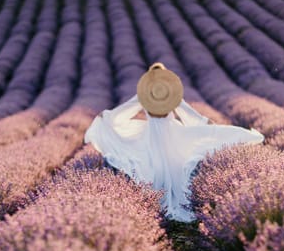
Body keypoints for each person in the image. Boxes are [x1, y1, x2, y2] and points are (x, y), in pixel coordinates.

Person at [84, 62, 264, 222]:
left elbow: (124, 111)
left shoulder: (145, 95)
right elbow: (188, 114)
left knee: (153, 166)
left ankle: (153, 201)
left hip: (151, 136)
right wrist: (206, 124)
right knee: (175, 164)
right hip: (172, 133)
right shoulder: (171, 94)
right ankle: (174, 199)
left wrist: (106, 118)